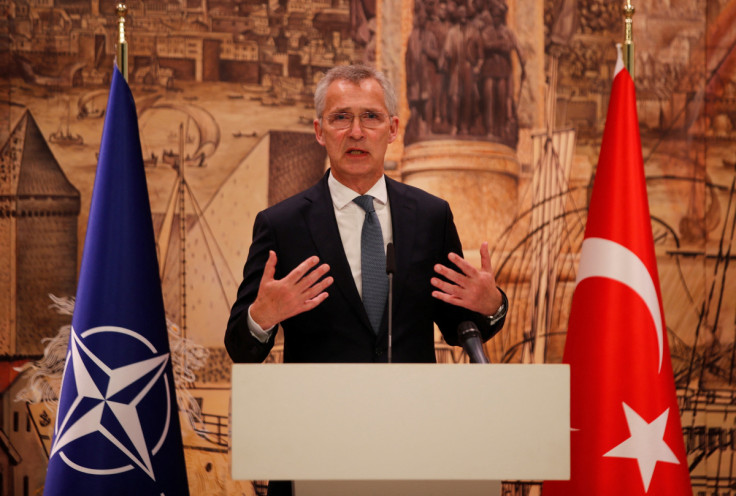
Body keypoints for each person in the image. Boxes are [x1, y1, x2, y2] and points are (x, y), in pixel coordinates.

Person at [224, 64, 507, 494]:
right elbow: (240, 347)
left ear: (392, 129)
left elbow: (458, 327)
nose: (356, 132)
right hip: (315, 453)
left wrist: (491, 305)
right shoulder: (282, 225)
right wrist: (262, 317)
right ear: (320, 131)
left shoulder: (431, 216)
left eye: (370, 117)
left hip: (414, 449)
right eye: (341, 118)